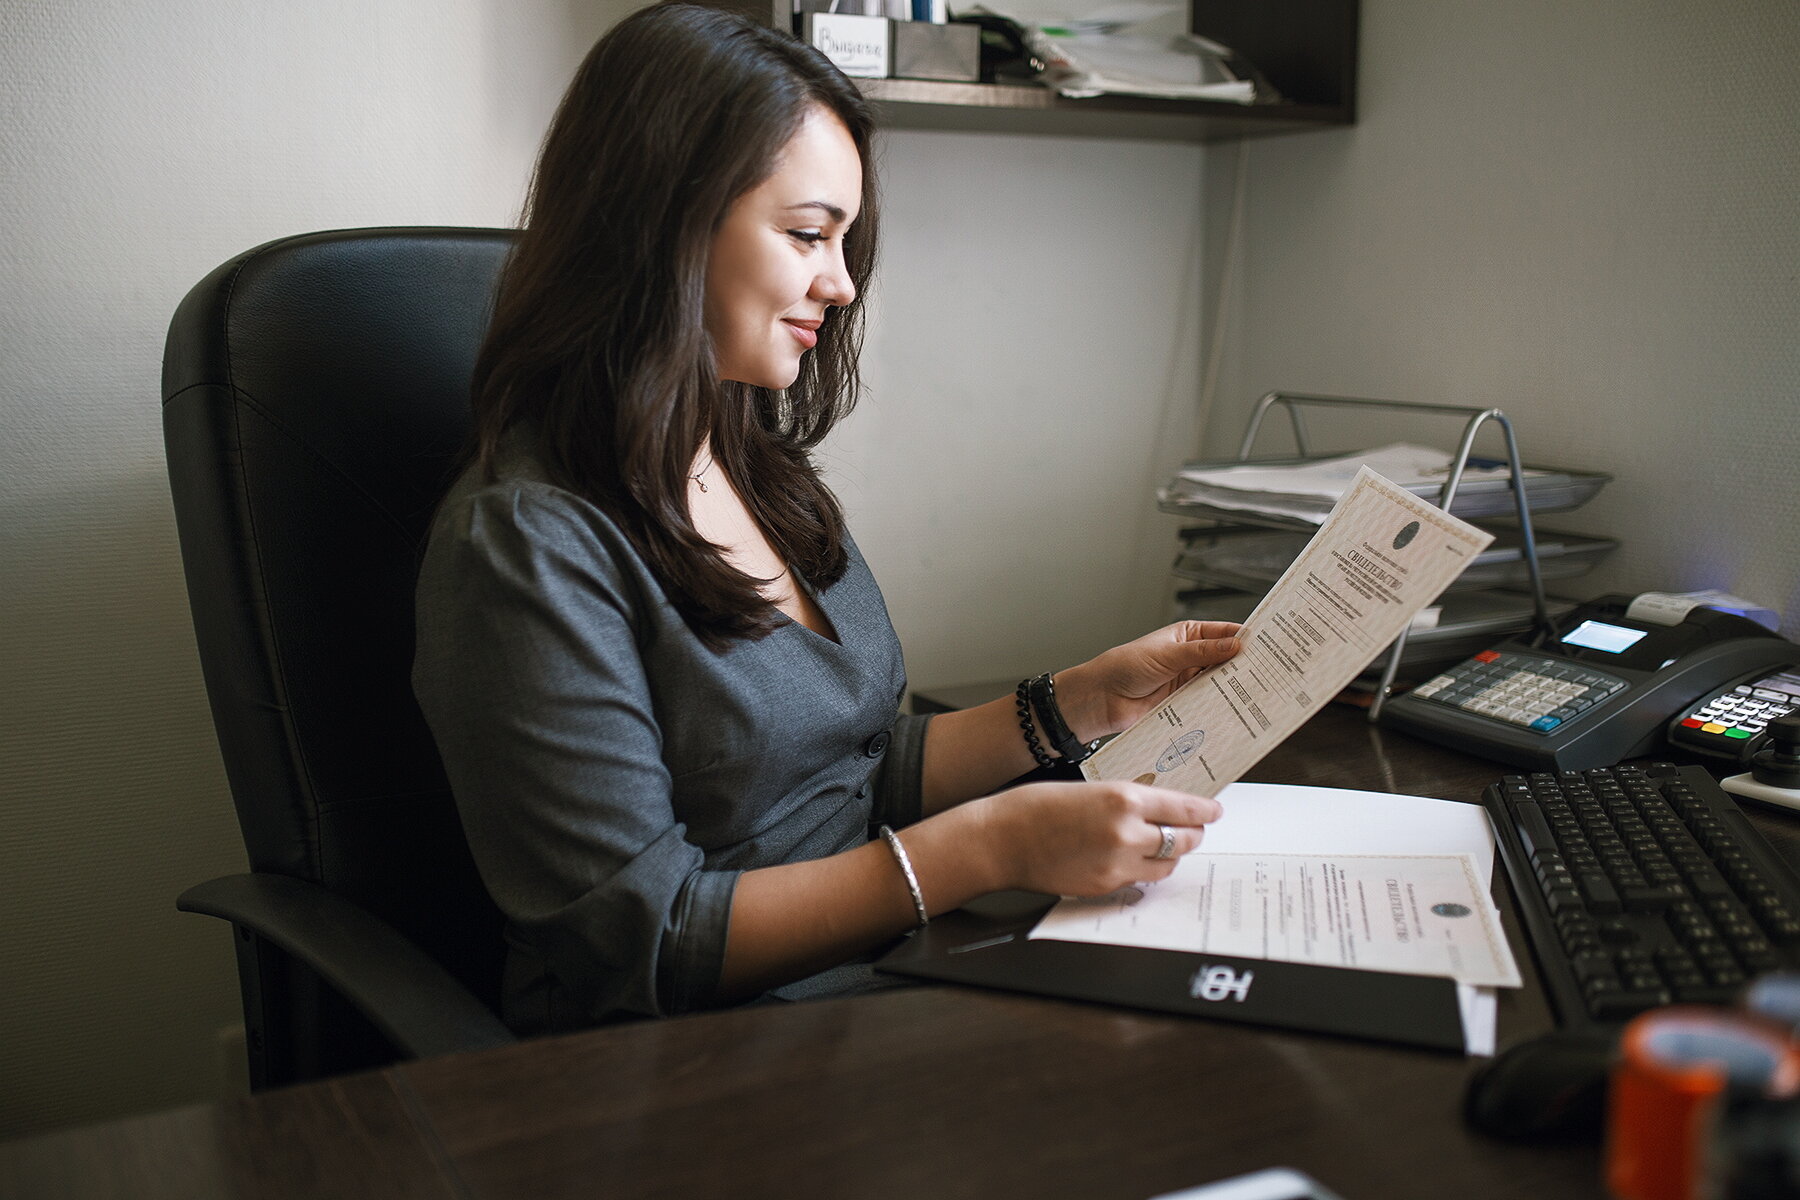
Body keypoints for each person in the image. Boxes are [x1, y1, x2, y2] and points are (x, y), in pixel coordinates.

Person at [412, 1, 1242, 1035]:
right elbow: (645, 940)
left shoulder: (755, 468)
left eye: (846, 241)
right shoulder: (526, 544)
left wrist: (1078, 701)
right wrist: (991, 848)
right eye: (808, 233)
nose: (841, 283)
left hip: (882, 972)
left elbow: (848, 772)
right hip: (681, 1060)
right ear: (661, 221)